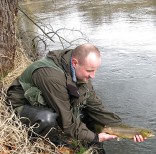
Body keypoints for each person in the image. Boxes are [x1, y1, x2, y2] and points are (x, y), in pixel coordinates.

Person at [6, 43, 144, 146]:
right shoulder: (52, 77)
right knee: (47, 118)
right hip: (21, 104)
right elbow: (67, 122)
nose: (93, 76)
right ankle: (51, 142)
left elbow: (97, 108)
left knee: (86, 113)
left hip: (49, 99)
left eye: (96, 70)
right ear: (75, 62)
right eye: (90, 70)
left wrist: (125, 129)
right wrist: (95, 138)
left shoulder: (80, 72)